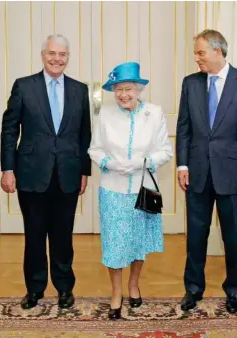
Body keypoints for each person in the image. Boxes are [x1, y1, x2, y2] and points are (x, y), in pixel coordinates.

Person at [176, 29, 237, 313]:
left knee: (233, 236)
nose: (197, 59)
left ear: (218, 51)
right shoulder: (190, 83)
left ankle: (235, 290)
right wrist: (182, 163)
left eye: (201, 52)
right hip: (198, 172)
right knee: (196, 235)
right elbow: (184, 127)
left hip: (234, 174)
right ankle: (193, 289)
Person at [0, 34, 91, 310]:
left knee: (63, 236)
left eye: (62, 54)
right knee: (35, 235)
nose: (57, 59)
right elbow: (9, 130)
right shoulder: (24, 86)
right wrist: (7, 168)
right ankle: (35, 289)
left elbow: (84, 133)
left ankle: (65, 289)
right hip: (30, 173)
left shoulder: (79, 89)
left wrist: (85, 170)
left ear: (68, 57)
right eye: (52, 53)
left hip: (68, 173)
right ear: (43, 55)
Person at [88, 62, 173, 320]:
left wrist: (141, 163)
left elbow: (165, 151)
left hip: (144, 188)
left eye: (128, 89)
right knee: (114, 245)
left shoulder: (155, 113)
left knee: (139, 243)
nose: (123, 94)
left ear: (138, 90)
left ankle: (134, 285)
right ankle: (116, 293)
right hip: (112, 188)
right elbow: (95, 149)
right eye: (118, 90)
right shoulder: (105, 115)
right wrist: (110, 163)